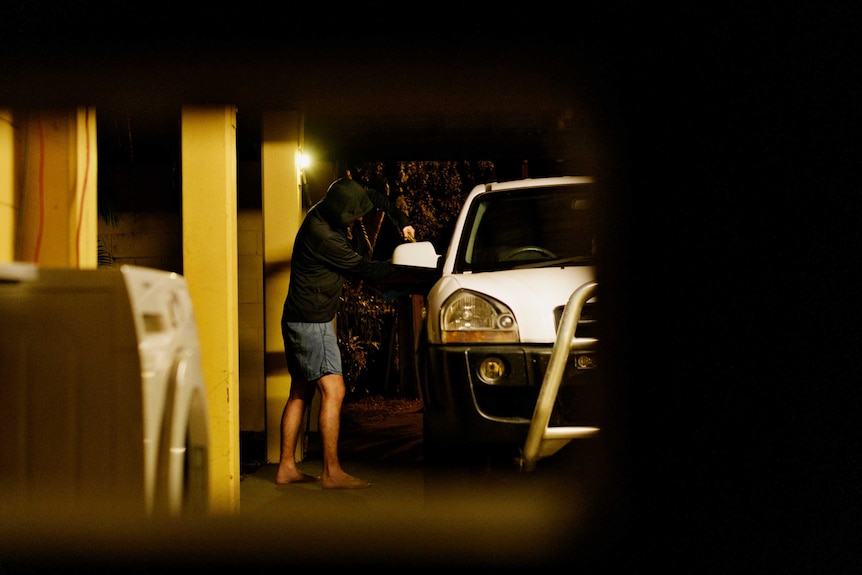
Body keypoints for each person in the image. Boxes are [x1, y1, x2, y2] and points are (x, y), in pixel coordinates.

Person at [276, 176, 415, 489]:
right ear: (341, 213)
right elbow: (365, 269)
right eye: (355, 215)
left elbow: (375, 198)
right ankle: (331, 472)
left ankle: (286, 467)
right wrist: (410, 265)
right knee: (334, 390)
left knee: (301, 391)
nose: (360, 218)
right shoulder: (323, 236)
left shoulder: (334, 202)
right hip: (312, 322)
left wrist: (402, 222)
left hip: (300, 318)